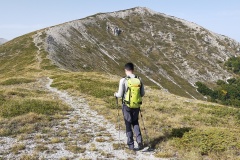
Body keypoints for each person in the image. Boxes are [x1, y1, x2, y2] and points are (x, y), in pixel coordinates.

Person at [114, 62, 145, 150]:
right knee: (135, 122)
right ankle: (139, 141)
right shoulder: (139, 79)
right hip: (136, 105)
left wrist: (115, 94)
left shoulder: (123, 80)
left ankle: (131, 145)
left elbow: (120, 94)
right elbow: (142, 93)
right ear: (133, 70)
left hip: (126, 105)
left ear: (125, 70)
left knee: (128, 123)